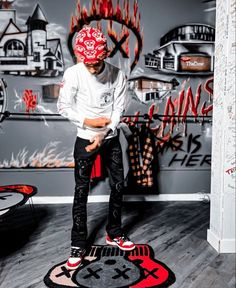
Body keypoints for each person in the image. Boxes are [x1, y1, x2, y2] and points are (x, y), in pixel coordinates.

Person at [57, 25, 135, 270]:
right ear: (80, 56)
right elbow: (63, 106)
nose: (92, 68)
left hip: (109, 138)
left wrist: (103, 132)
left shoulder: (118, 75)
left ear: (105, 54)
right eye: (87, 63)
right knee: (81, 191)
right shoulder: (73, 74)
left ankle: (114, 232)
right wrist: (87, 122)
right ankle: (78, 243)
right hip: (84, 137)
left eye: (96, 63)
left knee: (119, 185)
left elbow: (118, 111)